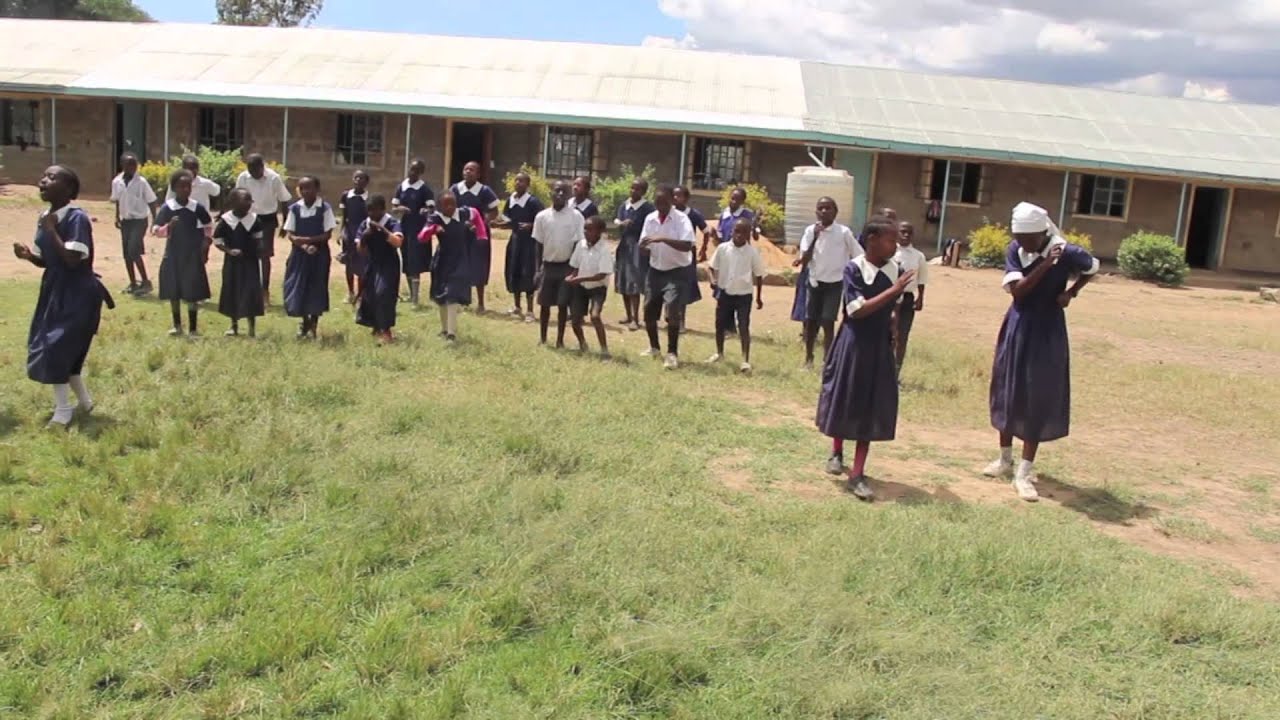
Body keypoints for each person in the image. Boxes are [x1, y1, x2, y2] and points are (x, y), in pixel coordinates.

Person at [985, 201, 1099, 502]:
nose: (1021, 243)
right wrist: (1046, 264)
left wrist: (1071, 292)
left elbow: (1092, 267)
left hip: (1047, 329)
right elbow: (1019, 291)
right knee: (1009, 388)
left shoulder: (1067, 250)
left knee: (1036, 392)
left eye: (1027, 238)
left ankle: (1025, 471)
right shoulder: (1018, 251)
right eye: (1018, 238)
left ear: (1042, 232)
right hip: (1018, 324)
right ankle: (1005, 458)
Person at [816, 216, 915, 501]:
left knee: (869, 406)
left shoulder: (896, 269)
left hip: (877, 346)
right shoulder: (854, 269)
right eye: (890, 240)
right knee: (846, 398)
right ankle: (836, 451)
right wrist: (894, 291)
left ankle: (857, 473)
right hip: (854, 344)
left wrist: (894, 325)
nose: (895, 245)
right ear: (872, 240)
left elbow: (894, 307)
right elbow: (856, 310)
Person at [13, 165, 109, 429]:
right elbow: (47, 261)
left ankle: (63, 411)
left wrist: (52, 229)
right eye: (43, 176)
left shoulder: (76, 218)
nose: (43, 180)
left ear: (69, 189)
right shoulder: (45, 216)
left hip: (78, 293)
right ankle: (85, 403)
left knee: (56, 348)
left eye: (52, 177)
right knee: (66, 352)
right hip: (54, 291)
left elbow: (72, 259)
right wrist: (29, 256)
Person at [796, 197, 862, 370]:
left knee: (828, 320)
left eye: (828, 208)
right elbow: (804, 258)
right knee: (811, 321)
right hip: (815, 282)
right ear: (816, 211)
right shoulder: (811, 231)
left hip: (835, 283)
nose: (824, 211)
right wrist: (815, 238)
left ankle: (828, 359)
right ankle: (808, 358)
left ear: (835, 212)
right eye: (821, 208)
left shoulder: (844, 232)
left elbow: (858, 255)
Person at [639, 186, 696, 370]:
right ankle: (654, 347)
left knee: (672, 310)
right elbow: (646, 246)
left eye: (664, 202)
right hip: (656, 270)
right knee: (648, 310)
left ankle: (672, 353)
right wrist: (643, 248)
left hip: (676, 271)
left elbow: (688, 245)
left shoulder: (681, 219)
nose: (660, 206)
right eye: (657, 202)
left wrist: (663, 239)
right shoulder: (650, 218)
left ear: (672, 200)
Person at [154, 170, 213, 337]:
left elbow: (208, 225)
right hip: (173, 254)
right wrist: (169, 227)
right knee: (174, 290)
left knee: (192, 292)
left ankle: (193, 329)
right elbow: (156, 230)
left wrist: (206, 242)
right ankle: (177, 325)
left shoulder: (196, 208)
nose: (185, 190)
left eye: (188, 186)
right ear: (174, 188)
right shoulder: (168, 208)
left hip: (192, 255)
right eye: (181, 187)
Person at [706, 218, 765, 374]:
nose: (740, 235)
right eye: (737, 231)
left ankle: (745, 360)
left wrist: (759, 297)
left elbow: (759, 275)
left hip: (744, 295)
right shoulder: (723, 248)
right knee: (719, 323)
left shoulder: (752, 253)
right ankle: (719, 353)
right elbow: (711, 267)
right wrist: (713, 281)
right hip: (725, 292)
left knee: (743, 325)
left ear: (748, 234)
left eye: (744, 232)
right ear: (731, 231)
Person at [532, 179, 585, 348]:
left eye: (564, 192)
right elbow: (538, 243)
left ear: (569, 195)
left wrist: (574, 269)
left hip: (566, 266)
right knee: (545, 304)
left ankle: (560, 340)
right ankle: (543, 337)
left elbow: (579, 244)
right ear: (551, 193)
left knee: (563, 305)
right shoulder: (542, 216)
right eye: (557, 190)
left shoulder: (576, 216)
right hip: (548, 266)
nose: (560, 194)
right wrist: (537, 269)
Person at [282, 176, 335, 339]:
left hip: (319, 255)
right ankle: (304, 322)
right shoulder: (294, 209)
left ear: (317, 190)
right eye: (303, 188)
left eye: (310, 188)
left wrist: (309, 241)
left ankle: (313, 323)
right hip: (299, 254)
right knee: (298, 287)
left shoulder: (324, 208)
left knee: (316, 288)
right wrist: (302, 245)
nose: (306, 191)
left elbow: (327, 234)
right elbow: (290, 232)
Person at [235, 154, 291, 307]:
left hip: (267, 219)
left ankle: (264, 291)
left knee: (264, 255)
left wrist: (285, 222)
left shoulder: (273, 178)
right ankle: (247, 290)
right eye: (250, 170)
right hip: (248, 217)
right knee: (245, 253)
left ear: (262, 166)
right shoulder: (243, 177)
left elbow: (284, 199)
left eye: (255, 170)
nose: (252, 173)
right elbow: (236, 197)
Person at [422, 193, 477, 343]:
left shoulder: (463, 215)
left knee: (452, 294)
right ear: (440, 207)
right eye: (446, 205)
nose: (450, 207)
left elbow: (476, 223)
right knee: (442, 296)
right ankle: (444, 329)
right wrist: (433, 229)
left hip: (460, 260)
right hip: (442, 260)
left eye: (453, 204)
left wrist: (475, 231)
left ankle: (452, 334)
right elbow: (422, 237)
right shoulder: (436, 218)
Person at [212, 188, 265, 338]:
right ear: (233, 203)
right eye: (244, 200)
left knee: (251, 292)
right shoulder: (226, 220)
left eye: (250, 201)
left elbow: (259, 238)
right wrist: (229, 251)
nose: (248, 204)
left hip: (250, 262)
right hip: (232, 263)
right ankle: (234, 326)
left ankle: (252, 328)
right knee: (232, 291)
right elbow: (217, 241)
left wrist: (260, 247)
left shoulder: (255, 220)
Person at [451, 161, 501, 314]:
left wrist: (481, 222)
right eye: (466, 169)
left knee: (479, 266)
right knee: (459, 265)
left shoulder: (484, 191)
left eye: (472, 170)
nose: (468, 172)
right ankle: (461, 300)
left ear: (478, 174)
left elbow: (494, 211)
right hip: (460, 233)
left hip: (479, 235)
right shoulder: (455, 189)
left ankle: (480, 303)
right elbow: (448, 207)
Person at [354, 194, 403, 343]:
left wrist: (383, 231)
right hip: (372, 263)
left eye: (374, 211)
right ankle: (376, 326)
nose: (371, 214)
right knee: (371, 296)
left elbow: (398, 242)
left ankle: (386, 329)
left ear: (382, 209)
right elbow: (360, 250)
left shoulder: (391, 222)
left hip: (389, 264)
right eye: (369, 211)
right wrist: (364, 237)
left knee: (384, 294)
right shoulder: (365, 224)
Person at [109, 152, 156, 296]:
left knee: (133, 250)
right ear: (122, 165)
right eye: (129, 164)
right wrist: (117, 216)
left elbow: (152, 201)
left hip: (139, 220)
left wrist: (155, 220)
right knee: (126, 254)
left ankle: (146, 282)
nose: (132, 167)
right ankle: (133, 283)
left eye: (134, 164)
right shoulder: (117, 182)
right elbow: (117, 199)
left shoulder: (141, 182)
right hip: (126, 221)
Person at [499, 171, 544, 321]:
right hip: (515, 241)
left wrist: (531, 225)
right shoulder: (511, 200)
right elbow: (507, 218)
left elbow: (542, 220)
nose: (518, 183)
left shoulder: (533, 202)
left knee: (528, 273)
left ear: (528, 184)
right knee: (514, 271)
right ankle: (517, 306)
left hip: (529, 244)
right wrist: (500, 224)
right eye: (516, 181)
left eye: (522, 181)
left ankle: (530, 311)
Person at [566, 215, 614, 357]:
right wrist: (573, 276)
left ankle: (604, 349)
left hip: (598, 288)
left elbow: (602, 275)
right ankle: (582, 344)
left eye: (590, 229)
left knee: (595, 316)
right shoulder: (581, 245)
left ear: (599, 232)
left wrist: (579, 278)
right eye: (585, 229)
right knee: (575, 319)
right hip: (581, 287)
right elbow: (575, 265)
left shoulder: (604, 249)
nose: (586, 232)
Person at [392, 159, 435, 307]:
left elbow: (431, 208)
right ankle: (411, 294)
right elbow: (394, 207)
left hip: (418, 228)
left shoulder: (424, 189)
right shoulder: (401, 187)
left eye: (416, 170)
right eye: (411, 169)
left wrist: (425, 210)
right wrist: (400, 209)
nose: (413, 172)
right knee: (407, 260)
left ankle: (416, 298)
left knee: (416, 261)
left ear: (421, 172)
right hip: (405, 227)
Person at [613, 178, 653, 331]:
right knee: (623, 280)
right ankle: (628, 315)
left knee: (634, 281)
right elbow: (618, 222)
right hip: (624, 245)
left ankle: (636, 318)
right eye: (631, 188)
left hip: (638, 246)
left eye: (637, 189)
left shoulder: (647, 208)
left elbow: (649, 227)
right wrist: (621, 224)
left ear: (643, 192)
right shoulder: (624, 205)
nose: (633, 192)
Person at [893, 220, 928, 376]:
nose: (906, 235)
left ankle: (896, 372)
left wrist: (920, 298)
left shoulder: (918, 256)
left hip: (907, 299)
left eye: (909, 232)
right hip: (889, 298)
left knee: (902, 336)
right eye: (902, 231)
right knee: (887, 335)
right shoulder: (890, 251)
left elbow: (921, 279)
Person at [672, 186, 706, 331]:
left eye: (679, 196)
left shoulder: (693, 214)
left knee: (683, 286)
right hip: (671, 251)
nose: (675, 198)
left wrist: (704, 248)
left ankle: (681, 321)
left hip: (687, 253)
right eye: (673, 195)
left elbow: (706, 230)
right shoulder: (670, 213)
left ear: (686, 199)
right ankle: (671, 318)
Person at [338, 169, 371, 305]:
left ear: (367, 182)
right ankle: (350, 292)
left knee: (362, 264)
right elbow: (344, 216)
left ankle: (361, 294)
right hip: (349, 231)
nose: (358, 180)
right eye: (356, 177)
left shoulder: (369, 198)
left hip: (362, 232)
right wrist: (341, 233)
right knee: (349, 263)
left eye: (362, 178)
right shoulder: (346, 196)